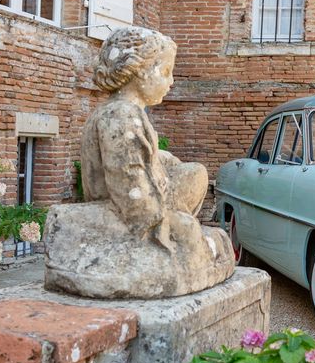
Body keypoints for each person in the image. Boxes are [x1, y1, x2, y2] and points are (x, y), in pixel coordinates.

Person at [80, 27, 233, 279]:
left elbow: (136, 163)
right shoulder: (121, 115)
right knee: (209, 239)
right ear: (138, 72)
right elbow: (131, 193)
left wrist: (160, 159)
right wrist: (169, 226)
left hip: (139, 212)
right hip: (131, 222)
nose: (171, 81)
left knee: (194, 174)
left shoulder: (122, 112)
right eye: (164, 72)